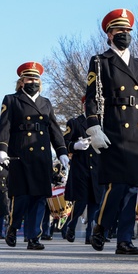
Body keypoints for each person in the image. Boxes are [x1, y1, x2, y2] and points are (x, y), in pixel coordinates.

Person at [84, 9, 138, 256]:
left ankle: (125, 240)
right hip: (114, 127)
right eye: (119, 31)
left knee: (132, 189)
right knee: (116, 186)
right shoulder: (100, 61)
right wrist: (93, 125)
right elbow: (92, 97)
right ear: (109, 34)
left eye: (127, 31)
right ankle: (101, 226)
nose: (125, 35)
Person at [0, 62, 69, 250]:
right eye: (29, 78)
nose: (33, 81)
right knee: (21, 197)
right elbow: (5, 125)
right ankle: (13, 227)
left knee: (39, 197)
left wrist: (61, 151)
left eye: (36, 79)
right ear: (21, 81)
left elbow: (54, 129)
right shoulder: (11, 100)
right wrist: (1, 148)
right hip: (20, 153)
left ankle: (33, 237)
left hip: (41, 155)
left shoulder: (46, 102)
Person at [62, 97, 103, 243]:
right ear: (84, 106)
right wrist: (75, 145)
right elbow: (64, 142)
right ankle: (71, 226)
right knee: (81, 201)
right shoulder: (75, 122)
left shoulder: (102, 124)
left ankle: (89, 235)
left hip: (98, 169)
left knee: (95, 202)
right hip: (81, 167)